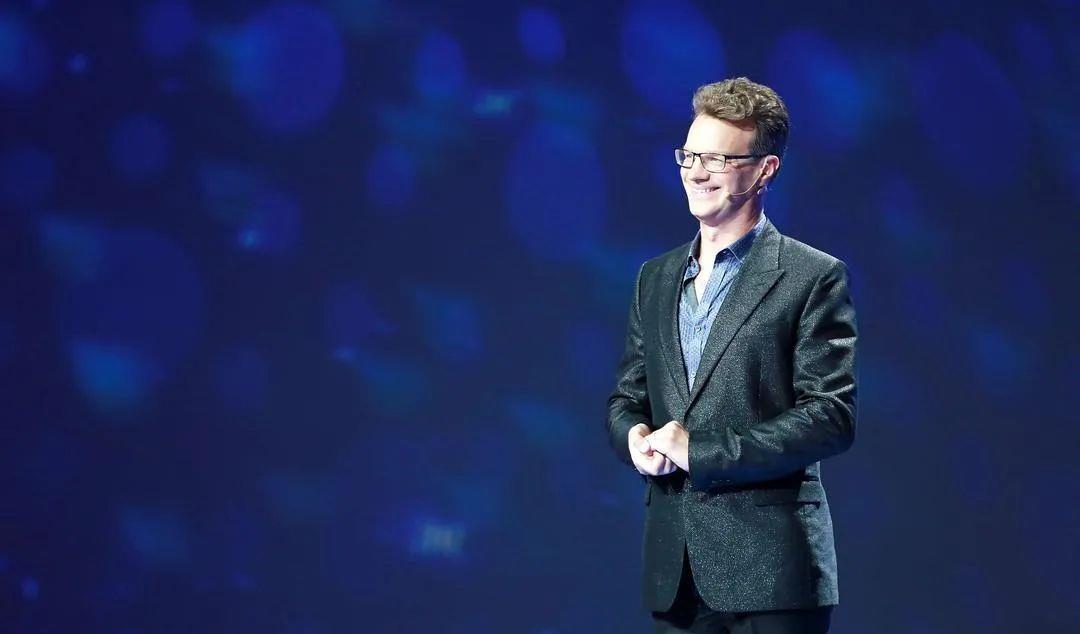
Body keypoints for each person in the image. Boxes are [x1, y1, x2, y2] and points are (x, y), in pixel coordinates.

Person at [606, 77, 858, 634]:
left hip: (773, 574)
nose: (697, 173)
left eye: (718, 159)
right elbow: (627, 398)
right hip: (677, 574)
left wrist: (701, 451)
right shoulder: (655, 277)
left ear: (765, 170)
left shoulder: (812, 276)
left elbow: (830, 417)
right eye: (689, 155)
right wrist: (634, 438)